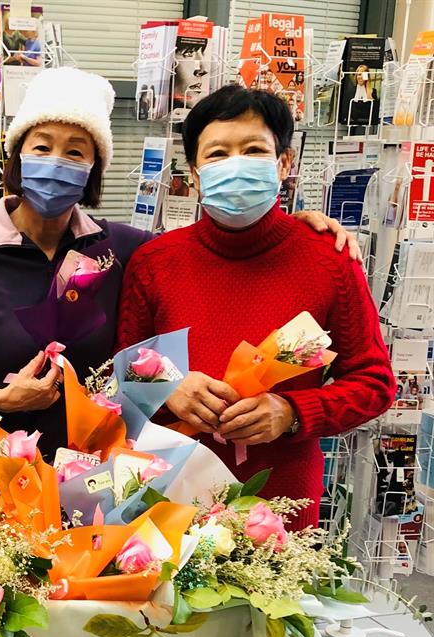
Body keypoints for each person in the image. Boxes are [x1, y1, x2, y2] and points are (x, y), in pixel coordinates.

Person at [0, 67, 361, 463]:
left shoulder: (130, 251)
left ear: (94, 168)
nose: (56, 162)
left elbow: (136, 347)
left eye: (76, 152)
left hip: (103, 467)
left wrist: (299, 228)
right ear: (16, 156)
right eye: (42, 147)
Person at [116, 85, 396, 529]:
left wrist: (292, 413)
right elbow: (122, 370)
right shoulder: (155, 262)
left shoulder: (329, 261)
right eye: (217, 154)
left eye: (253, 150)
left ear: (285, 163)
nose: (236, 164)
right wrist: (168, 385)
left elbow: (374, 382)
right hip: (169, 494)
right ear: (193, 171)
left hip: (281, 508)